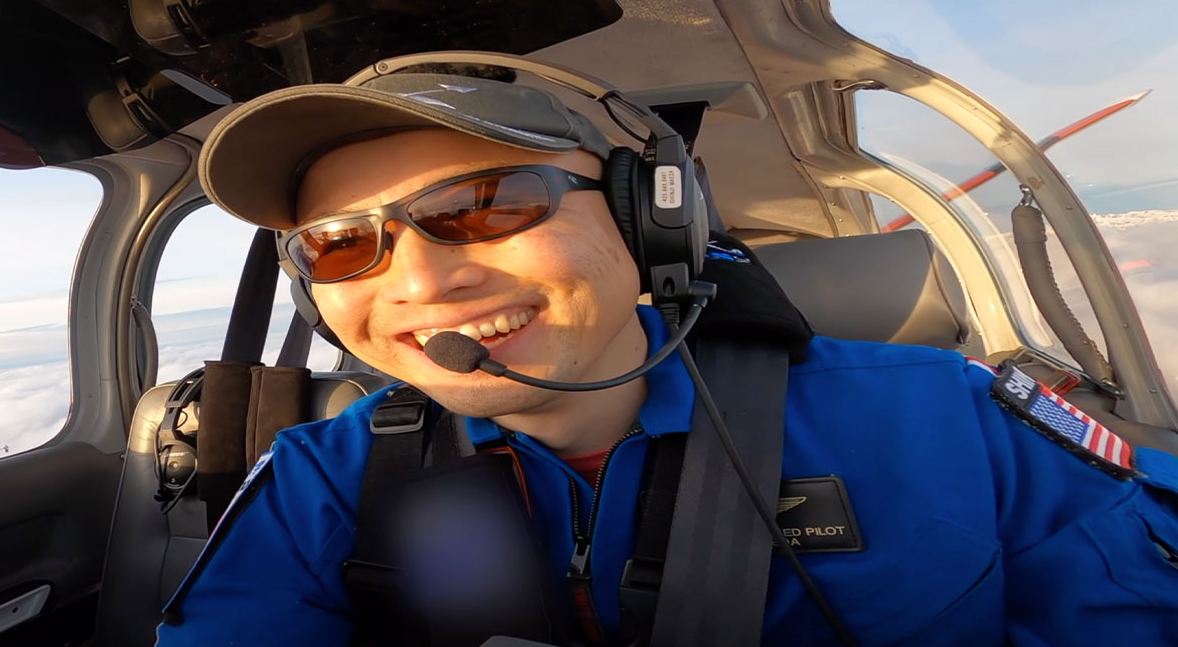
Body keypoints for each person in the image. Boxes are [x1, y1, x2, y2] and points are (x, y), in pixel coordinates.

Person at [154, 67, 1178, 646]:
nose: (419, 285)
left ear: (653, 223)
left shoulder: (943, 418)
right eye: (340, 243)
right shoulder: (315, 483)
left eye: (486, 204)